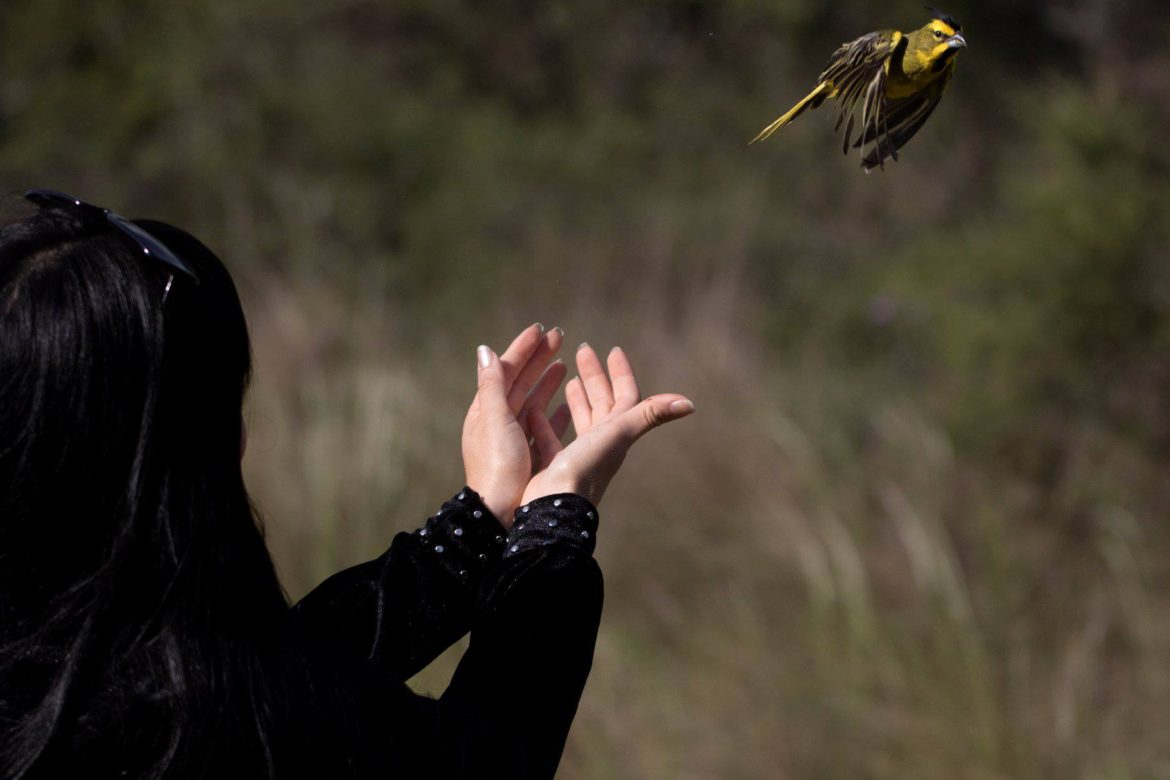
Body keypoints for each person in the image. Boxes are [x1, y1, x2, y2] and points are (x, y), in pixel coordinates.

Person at [0, 190, 694, 779]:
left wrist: (479, 522)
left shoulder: (60, 672)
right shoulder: (201, 727)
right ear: (194, 453)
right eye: (227, 406)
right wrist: (552, 536)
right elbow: (481, 761)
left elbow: (279, 662)